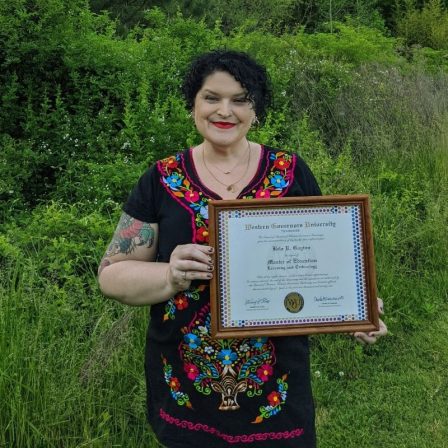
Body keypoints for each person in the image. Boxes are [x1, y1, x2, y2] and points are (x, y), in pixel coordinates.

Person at [98, 50, 387, 448]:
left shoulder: (290, 172)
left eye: (240, 99)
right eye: (211, 97)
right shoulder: (161, 179)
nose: (225, 110)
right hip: (186, 384)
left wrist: (357, 308)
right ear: (192, 105)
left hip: (276, 386)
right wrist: (169, 274)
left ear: (257, 109)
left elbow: (327, 259)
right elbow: (112, 274)